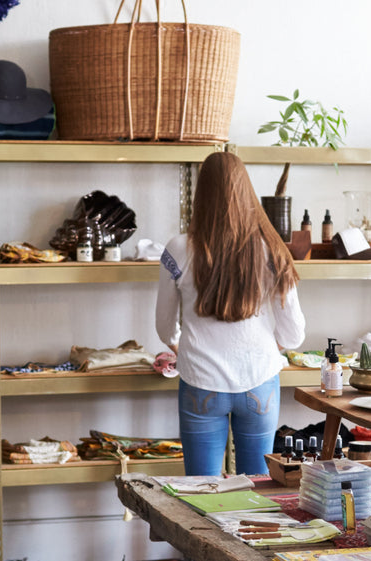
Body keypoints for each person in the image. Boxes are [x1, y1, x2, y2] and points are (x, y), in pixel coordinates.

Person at [155, 152, 306, 476]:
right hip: (260, 382)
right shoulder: (272, 248)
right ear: (245, 190)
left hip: (200, 382)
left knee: (202, 493)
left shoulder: (177, 248)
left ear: (201, 194)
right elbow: (294, 335)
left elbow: (165, 328)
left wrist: (183, 348)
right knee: (259, 493)